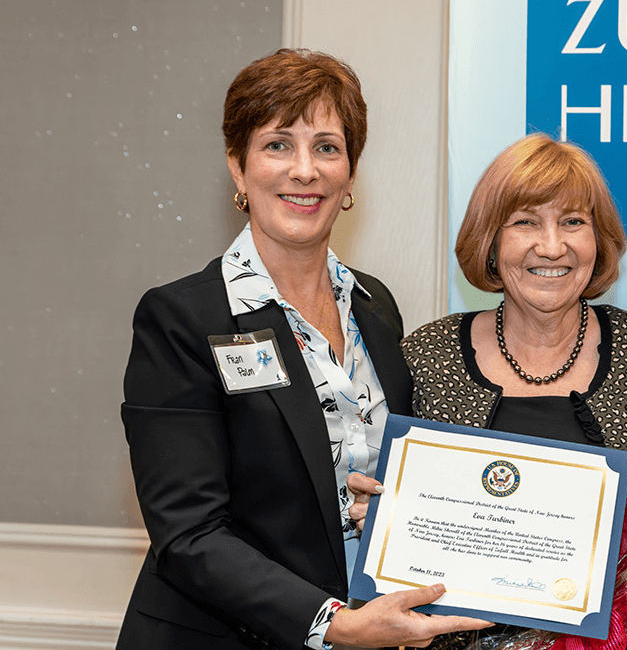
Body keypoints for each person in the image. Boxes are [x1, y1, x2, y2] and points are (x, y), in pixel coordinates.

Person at [117, 49, 490, 650]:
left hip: (371, 634)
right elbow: (189, 535)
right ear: (238, 168)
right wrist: (335, 625)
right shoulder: (183, 318)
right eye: (277, 145)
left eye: (326, 147)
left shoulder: (375, 306)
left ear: (350, 174)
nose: (304, 170)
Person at [401, 134, 627, 650]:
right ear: (491, 243)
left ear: (599, 240)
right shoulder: (428, 355)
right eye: (525, 222)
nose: (552, 246)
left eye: (573, 222)